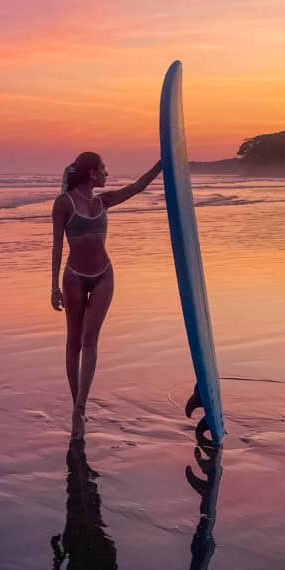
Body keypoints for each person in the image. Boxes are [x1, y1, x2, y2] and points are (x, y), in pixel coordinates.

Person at [51, 151, 162, 439]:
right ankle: (77, 404)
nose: (107, 174)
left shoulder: (104, 201)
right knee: (73, 341)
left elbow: (138, 187)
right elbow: (56, 247)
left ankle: (79, 410)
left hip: (104, 276)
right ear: (91, 173)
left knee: (90, 340)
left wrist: (163, 164)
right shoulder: (64, 203)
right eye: (103, 169)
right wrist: (53, 287)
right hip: (74, 277)